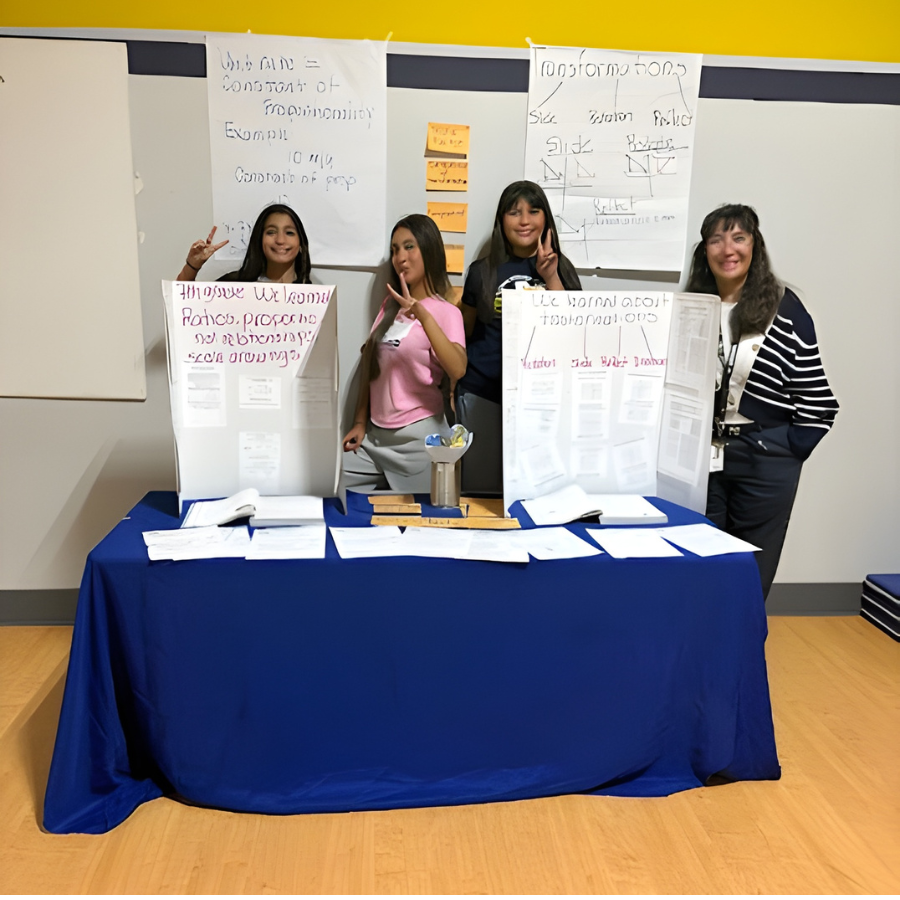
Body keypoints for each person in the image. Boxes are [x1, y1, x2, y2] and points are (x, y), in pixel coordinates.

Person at [686, 204, 838, 599]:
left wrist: (781, 451)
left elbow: (819, 401)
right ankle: (705, 654)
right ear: (704, 250)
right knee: (702, 564)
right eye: (716, 239)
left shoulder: (784, 309)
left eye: (738, 237)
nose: (727, 249)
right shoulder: (693, 308)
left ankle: (742, 656)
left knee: (751, 573)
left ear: (755, 246)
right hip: (705, 459)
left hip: (764, 459)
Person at [455, 181, 582, 493]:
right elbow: (466, 333)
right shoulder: (480, 271)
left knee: (535, 490)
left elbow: (572, 329)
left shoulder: (560, 268)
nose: (524, 221)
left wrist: (550, 276)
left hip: (540, 399)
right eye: (514, 212)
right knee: (482, 491)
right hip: (482, 393)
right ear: (501, 220)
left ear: (546, 219)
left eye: (533, 211)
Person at [341, 214, 466, 493]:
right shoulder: (389, 306)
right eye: (395, 249)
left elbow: (458, 368)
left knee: (423, 528)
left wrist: (421, 312)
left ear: (429, 250)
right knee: (336, 486)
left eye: (409, 247)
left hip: (419, 442)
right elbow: (370, 367)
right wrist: (359, 422)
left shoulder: (447, 312)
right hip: (375, 440)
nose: (400, 257)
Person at [176, 203, 312, 284]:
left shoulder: (314, 297)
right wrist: (192, 266)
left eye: (289, 233)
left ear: (301, 243)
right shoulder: (233, 285)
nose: (280, 240)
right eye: (271, 232)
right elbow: (181, 307)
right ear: (259, 239)